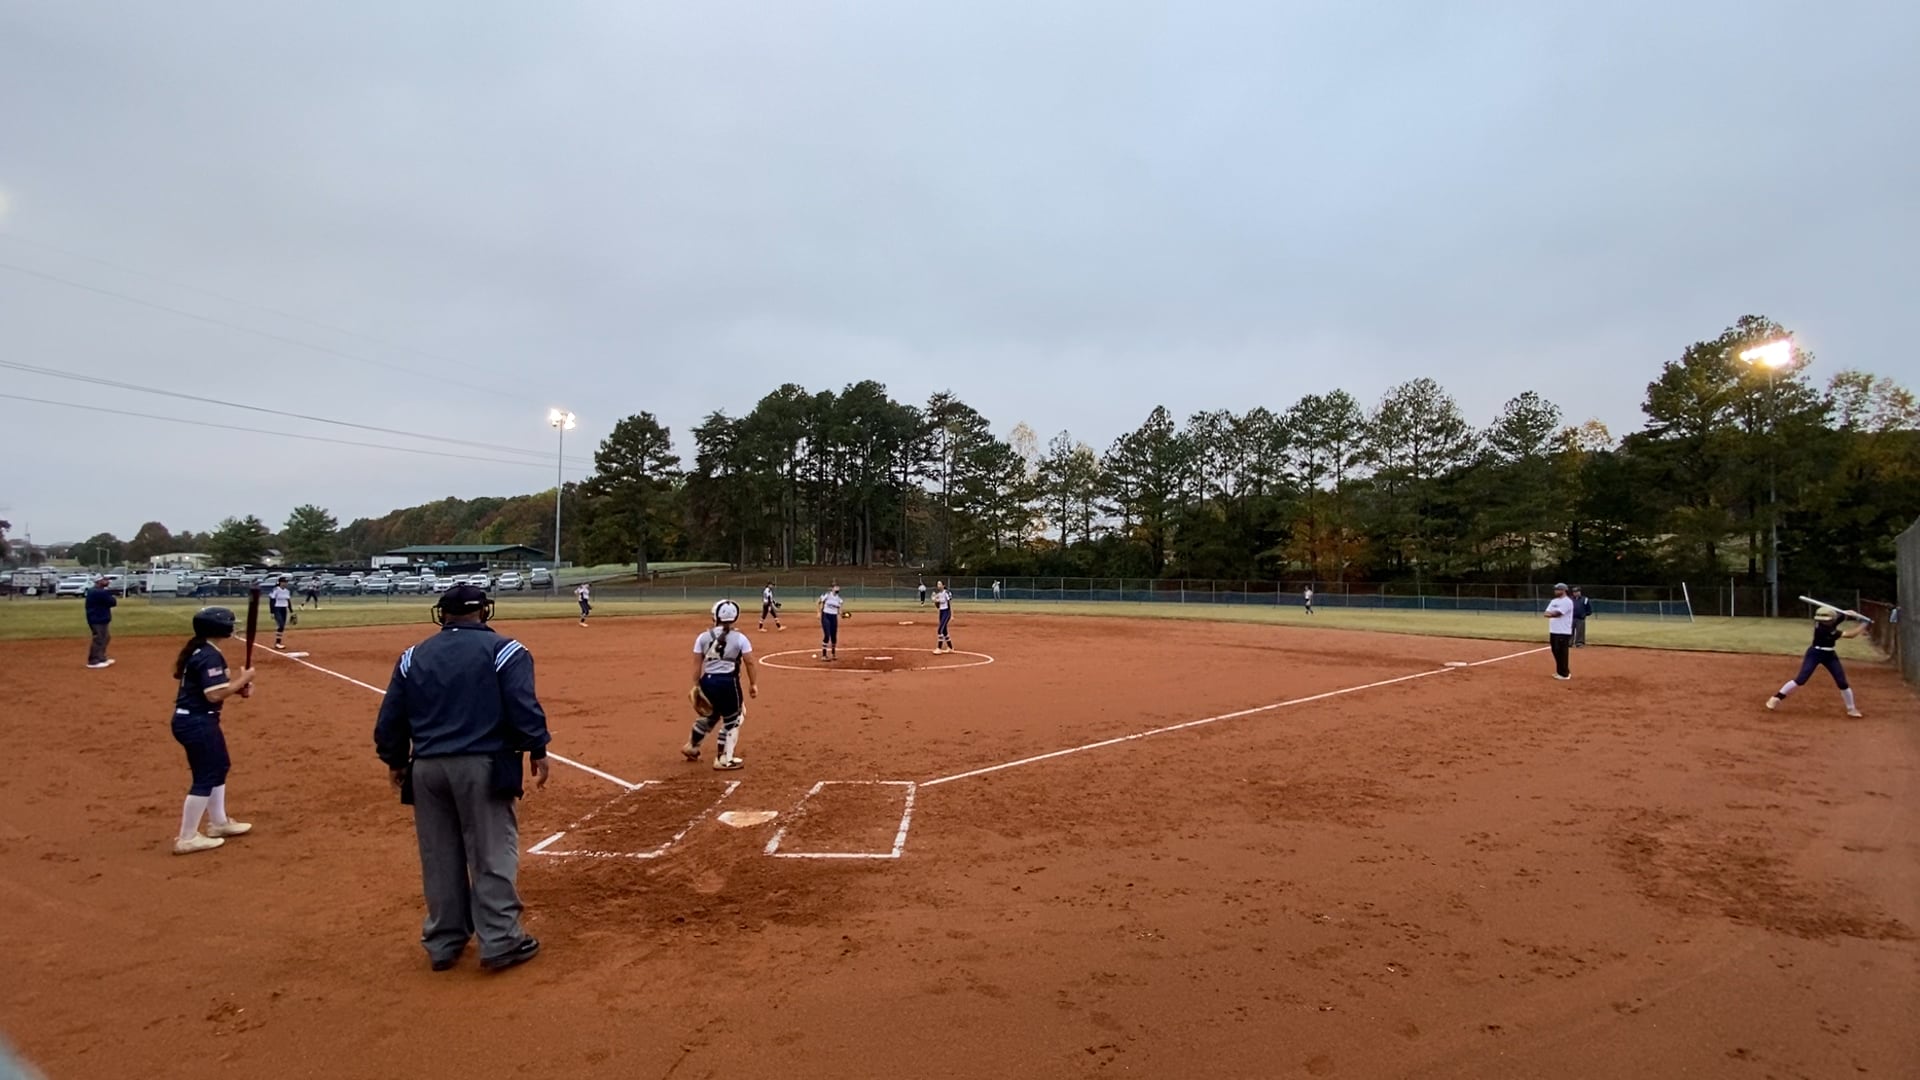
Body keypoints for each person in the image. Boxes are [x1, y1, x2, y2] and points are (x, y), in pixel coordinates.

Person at [373, 585, 550, 973]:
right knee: (490, 852)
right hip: (481, 765)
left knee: (438, 856)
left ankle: (443, 941)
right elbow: (522, 705)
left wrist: (395, 760)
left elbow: (391, 717)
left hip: (426, 768)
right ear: (483, 611)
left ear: (443, 614)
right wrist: (536, 747)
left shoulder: (412, 656)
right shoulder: (505, 650)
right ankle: (500, 940)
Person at [169, 607, 255, 854]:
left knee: (219, 767)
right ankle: (187, 837)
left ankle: (218, 822)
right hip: (196, 722)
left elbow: (211, 688)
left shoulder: (204, 651)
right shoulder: (208, 655)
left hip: (196, 720)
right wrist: (243, 679)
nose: (233, 626)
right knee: (206, 775)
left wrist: (238, 688)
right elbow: (214, 694)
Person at [682, 600, 758, 770]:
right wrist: (753, 684)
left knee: (712, 714)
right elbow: (750, 662)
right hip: (728, 683)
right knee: (733, 719)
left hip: (708, 681)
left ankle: (692, 746)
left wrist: (697, 685)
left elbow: (697, 665)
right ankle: (723, 759)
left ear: (715, 616)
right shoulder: (740, 638)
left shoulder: (702, 637)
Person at [1768, 606, 1867, 718]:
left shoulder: (1826, 622)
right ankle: (1776, 698)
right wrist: (1864, 624)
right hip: (1815, 654)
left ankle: (1851, 709)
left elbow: (1838, 619)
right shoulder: (1825, 629)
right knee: (1801, 679)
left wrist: (1846, 613)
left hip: (1830, 655)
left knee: (1842, 683)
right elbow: (1850, 635)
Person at [1544, 583, 1575, 681]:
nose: (1555, 591)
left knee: (1562, 652)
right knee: (1555, 651)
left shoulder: (1567, 602)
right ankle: (1560, 671)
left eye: (1558, 589)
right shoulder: (1553, 601)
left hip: (1563, 631)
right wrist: (1551, 613)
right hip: (1554, 630)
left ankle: (1565, 674)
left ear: (1563, 590)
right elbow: (1546, 612)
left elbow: (1558, 613)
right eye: (1555, 589)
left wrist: (1551, 613)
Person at [84, 575, 116, 669]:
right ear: (98, 582)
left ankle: (101, 658)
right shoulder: (98, 592)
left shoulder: (96, 591)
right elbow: (112, 602)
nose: (107, 581)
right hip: (97, 619)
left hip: (100, 618)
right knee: (99, 639)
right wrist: (110, 596)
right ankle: (93, 661)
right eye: (104, 580)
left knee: (105, 637)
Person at [818, 583, 845, 661]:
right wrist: (818, 612)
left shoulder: (839, 599)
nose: (837, 589)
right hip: (826, 615)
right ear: (832, 588)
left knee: (834, 636)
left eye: (838, 588)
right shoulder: (827, 595)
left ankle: (833, 654)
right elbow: (819, 602)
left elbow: (840, 611)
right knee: (827, 635)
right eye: (836, 587)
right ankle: (824, 655)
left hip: (834, 617)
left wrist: (843, 615)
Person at [269, 575, 293, 650]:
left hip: (284, 609)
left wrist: (291, 611)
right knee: (281, 625)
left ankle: (278, 643)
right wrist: (272, 612)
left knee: (282, 626)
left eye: (286, 582)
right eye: (284, 582)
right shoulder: (276, 590)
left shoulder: (287, 591)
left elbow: (288, 601)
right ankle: (277, 643)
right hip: (277, 609)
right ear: (280, 582)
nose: (285, 583)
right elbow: (271, 601)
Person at [933, 580, 955, 653]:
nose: (938, 586)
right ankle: (950, 647)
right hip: (941, 612)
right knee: (944, 630)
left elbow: (950, 604)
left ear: (943, 585)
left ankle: (939, 648)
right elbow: (938, 607)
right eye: (937, 584)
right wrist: (935, 601)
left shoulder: (946, 593)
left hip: (946, 612)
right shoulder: (939, 594)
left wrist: (952, 615)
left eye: (940, 584)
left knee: (940, 630)